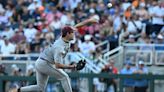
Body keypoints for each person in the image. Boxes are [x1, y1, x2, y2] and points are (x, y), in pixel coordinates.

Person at [10, 17, 98, 92]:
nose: (74, 34)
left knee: (40, 88)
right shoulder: (59, 47)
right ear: (67, 34)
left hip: (41, 62)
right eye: (72, 33)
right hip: (45, 63)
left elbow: (77, 26)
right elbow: (58, 65)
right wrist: (73, 67)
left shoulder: (64, 37)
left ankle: (17, 90)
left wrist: (89, 21)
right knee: (64, 76)